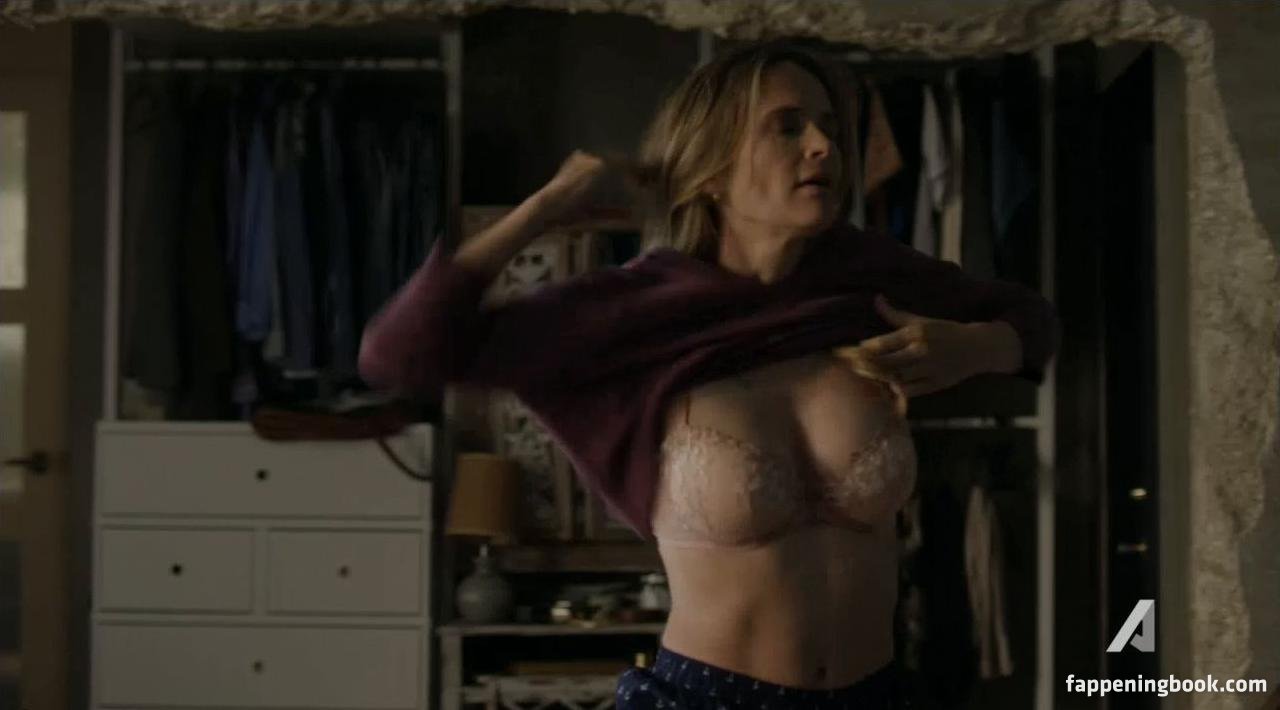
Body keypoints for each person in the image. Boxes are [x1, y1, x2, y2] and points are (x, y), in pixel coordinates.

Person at [359, 38, 1059, 710]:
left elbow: (1034, 322)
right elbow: (399, 354)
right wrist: (547, 206)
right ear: (713, 169)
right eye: (788, 127)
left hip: (875, 695)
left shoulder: (867, 274)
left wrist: (977, 348)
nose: (824, 145)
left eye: (828, 126)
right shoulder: (634, 310)